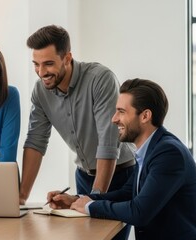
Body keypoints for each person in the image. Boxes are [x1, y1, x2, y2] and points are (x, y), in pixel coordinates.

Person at [53, 78, 196, 239]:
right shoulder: (150, 149)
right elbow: (127, 194)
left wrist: (91, 206)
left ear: (145, 116)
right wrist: (76, 200)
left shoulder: (168, 153)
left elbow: (139, 212)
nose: (114, 119)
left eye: (121, 112)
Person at [19, 25, 136, 203]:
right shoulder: (40, 91)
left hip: (120, 174)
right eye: (36, 64)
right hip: (83, 177)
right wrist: (21, 198)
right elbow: (36, 141)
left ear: (67, 58)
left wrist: (94, 199)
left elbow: (108, 142)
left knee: (105, 231)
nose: (41, 72)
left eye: (49, 64)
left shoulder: (100, 79)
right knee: (82, 230)